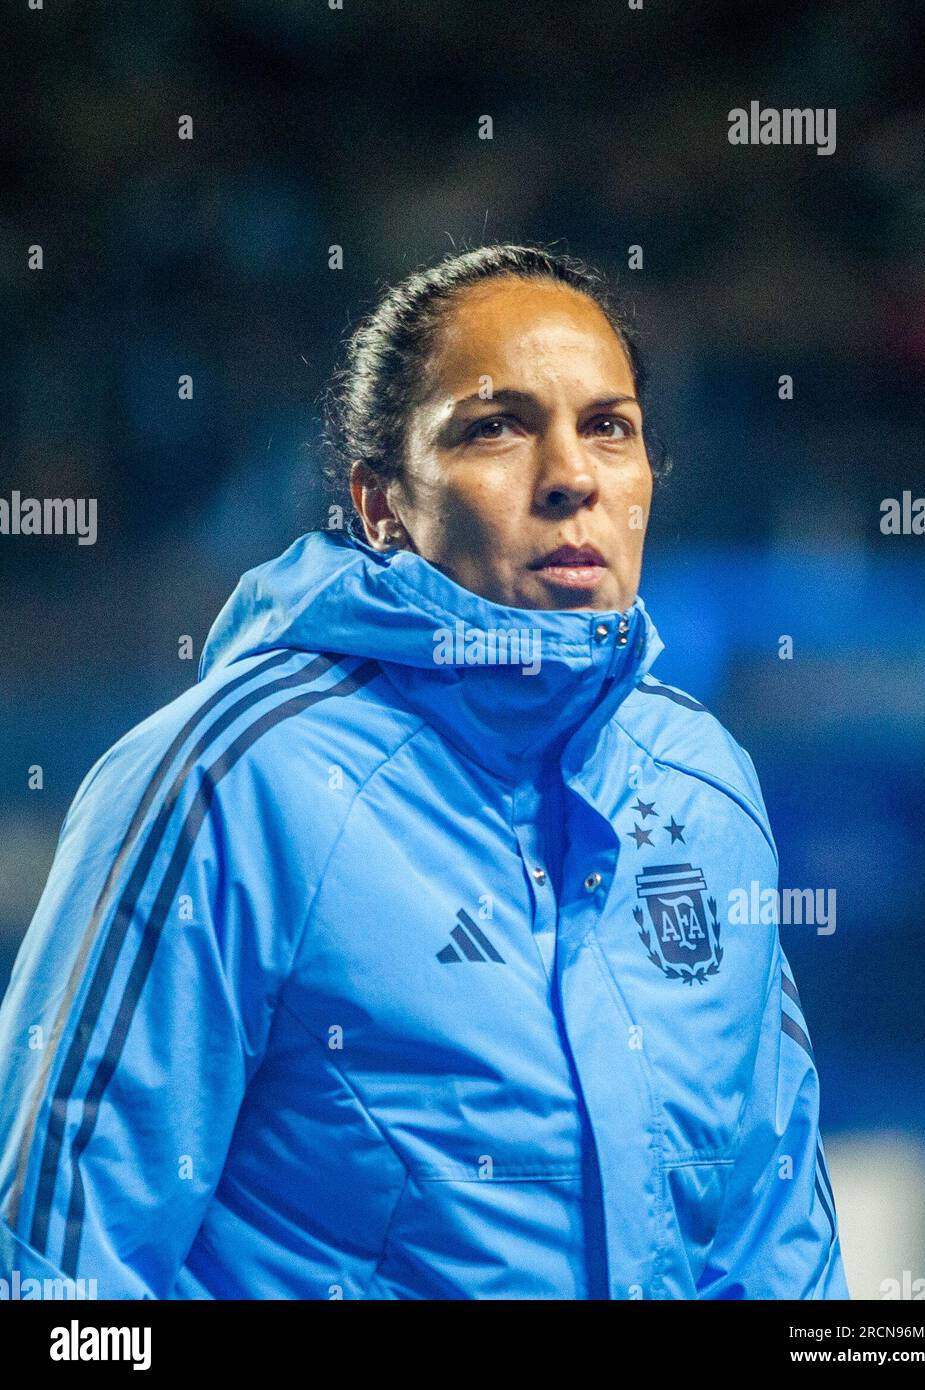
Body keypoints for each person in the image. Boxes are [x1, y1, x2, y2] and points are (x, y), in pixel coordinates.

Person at [0, 243, 849, 1300]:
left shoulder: (702, 782)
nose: (571, 477)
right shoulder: (231, 782)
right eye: (495, 427)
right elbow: (51, 1275)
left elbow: (777, 1252)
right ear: (381, 504)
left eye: (608, 427)